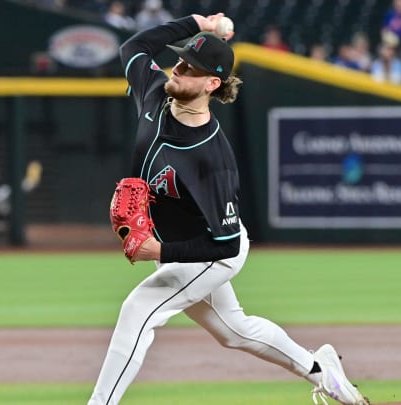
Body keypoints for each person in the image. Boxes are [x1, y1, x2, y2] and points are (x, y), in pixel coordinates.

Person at [87, 14, 369, 405]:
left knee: (138, 310)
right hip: (179, 245)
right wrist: (196, 23)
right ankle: (320, 368)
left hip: (211, 253)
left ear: (212, 83)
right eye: (181, 60)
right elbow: (132, 48)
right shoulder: (153, 92)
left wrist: (161, 253)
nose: (179, 69)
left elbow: (224, 244)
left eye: (190, 67)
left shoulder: (211, 159)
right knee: (234, 331)